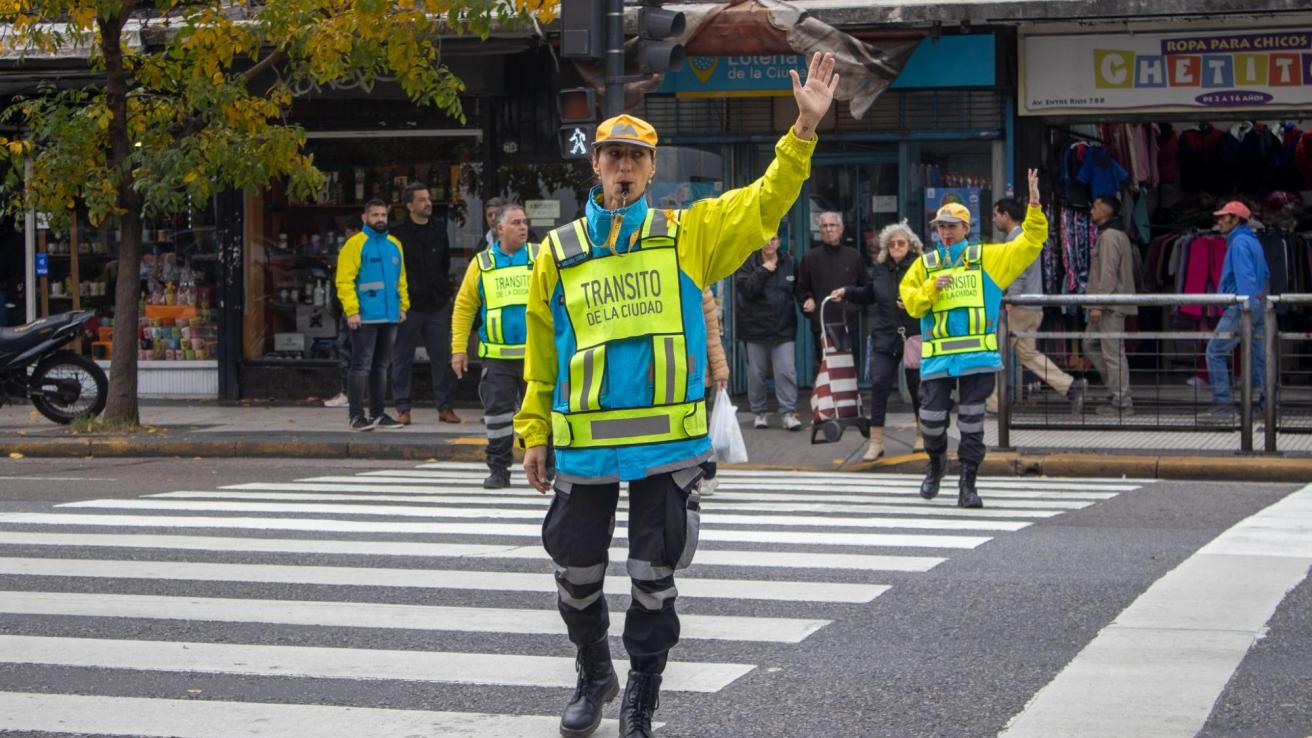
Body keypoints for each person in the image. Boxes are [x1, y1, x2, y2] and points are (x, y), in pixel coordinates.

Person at [513, 52, 838, 738]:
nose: (624, 168)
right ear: (595, 167)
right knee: (574, 576)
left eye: (635, 157)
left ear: (652, 169)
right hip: (583, 448)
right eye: (612, 157)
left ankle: (642, 698)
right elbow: (543, 354)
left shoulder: (687, 235)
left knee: (653, 581)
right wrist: (531, 430)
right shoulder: (559, 251)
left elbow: (763, 202)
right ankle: (594, 671)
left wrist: (802, 132)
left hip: (666, 445)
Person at [900, 169, 1047, 508]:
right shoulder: (926, 265)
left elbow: (1031, 243)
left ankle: (968, 483)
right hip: (937, 359)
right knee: (932, 422)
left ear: (967, 229)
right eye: (941, 226)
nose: (946, 232)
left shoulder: (989, 259)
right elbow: (909, 300)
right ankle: (936, 464)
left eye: (953, 226)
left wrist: (1035, 205)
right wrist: (928, 290)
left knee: (971, 424)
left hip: (977, 358)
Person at [450, 203, 536, 488]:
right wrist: (458, 349)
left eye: (525, 222)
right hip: (498, 359)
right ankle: (499, 470)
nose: (523, 227)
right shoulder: (482, 263)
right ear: (499, 229)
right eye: (515, 223)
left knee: (541, 416)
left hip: (536, 357)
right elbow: (464, 307)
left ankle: (547, 467)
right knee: (498, 419)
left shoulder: (538, 257)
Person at [830, 220, 923, 460]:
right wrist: (847, 292)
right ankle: (876, 441)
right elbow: (870, 294)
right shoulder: (881, 269)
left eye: (901, 243)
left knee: (917, 388)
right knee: (880, 385)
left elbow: (930, 295)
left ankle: (922, 435)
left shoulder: (920, 267)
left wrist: (916, 302)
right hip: (886, 334)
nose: (896, 247)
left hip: (913, 334)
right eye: (891, 244)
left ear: (910, 245)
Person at [986, 198, 1087, 415]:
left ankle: (995, 405)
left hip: (1020, 306)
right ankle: (1069, 387)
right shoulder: (1026, 237)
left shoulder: (1017, 239)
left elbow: (1017, 272)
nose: (994, 220)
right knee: (1027, 354)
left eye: (995, 215)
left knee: (995, 351)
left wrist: (1011, 299)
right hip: (1031, 305)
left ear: (1005, 215)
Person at [390, 182, 460, 425]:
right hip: (409, 305)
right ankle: (402, 407)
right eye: (421, 200)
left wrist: (444, 292)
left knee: (441, 357)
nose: (427, 203)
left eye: (428, 198)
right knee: (402, 357)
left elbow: (444, 264)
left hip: (436, 303)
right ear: (409, 205)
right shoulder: (397, 233)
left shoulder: (439, 230)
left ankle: (445, 407)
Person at [335, 199, 408, 431]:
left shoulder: (394, 244)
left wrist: (403, 306)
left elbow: (401, 279)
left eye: (384, 215)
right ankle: (356, 416)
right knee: (360, 367)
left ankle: (378, 414)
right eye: (375, 215)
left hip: (389, 316)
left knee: (381, 367)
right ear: (364, 218)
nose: (380, 219)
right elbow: (344, 280)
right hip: (364, 317)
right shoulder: (355, 244)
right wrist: (352, 311)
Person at [1203, 200, 1270, 422]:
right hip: (1258, 304)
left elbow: (1246, 278)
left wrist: (1245, 308)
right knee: (1259, 356)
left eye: (1224, 217)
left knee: (1215, 351)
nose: (1219, 221)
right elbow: (1264, 275)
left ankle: (1223, 406)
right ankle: (1266, 406)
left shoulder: (1239, 242)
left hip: (1242, 307)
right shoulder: (1253, 241)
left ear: (1236, 219)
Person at [734, 233, 802, 431]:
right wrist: (763, 270)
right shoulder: (749, 262)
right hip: (754, 328)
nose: (769, 243)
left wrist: (807, 299)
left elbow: (799, 289)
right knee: (756, 374)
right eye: (765, 238)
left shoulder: (789, 262)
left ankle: (788, 413)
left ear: (780, 241)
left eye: (773, 239)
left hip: (783, 328)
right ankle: (759, 413)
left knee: (786, 371)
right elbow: (746, 290)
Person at [1084, 194, 1137, 416]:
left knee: (1113, 352)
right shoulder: (1115, 235)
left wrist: (1099, 304)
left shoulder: (1110, 237)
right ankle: (1116, 392)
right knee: (1091, 345)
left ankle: (1122, 402)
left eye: (1095, 206)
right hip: (1110, 303)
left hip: (1110, 306)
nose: (1091, 211)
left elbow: (1108, 274)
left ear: (1107, 210)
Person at [797, 211, 867, 361]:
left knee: (848, 372)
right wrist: (807, 299)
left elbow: (866, 290)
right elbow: (801, 288)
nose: (828, 229)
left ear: (841, 229)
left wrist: (851, 306)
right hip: (821, 325)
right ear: (820, 230)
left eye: (832, 225)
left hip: (848, 325)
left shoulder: (854, 256)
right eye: (824, 226)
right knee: (826, 373)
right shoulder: (810, 257)